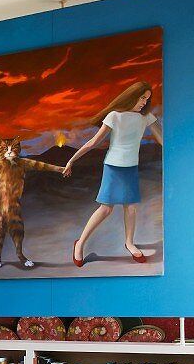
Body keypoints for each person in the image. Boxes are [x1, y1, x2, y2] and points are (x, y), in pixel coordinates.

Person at [63, 81, 163, 266]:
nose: (144, 102)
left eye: (147, 99)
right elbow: (92, 142)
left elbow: (162, 139)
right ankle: (80, 244)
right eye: (142, 97)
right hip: (113, 167)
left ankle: (129, 243)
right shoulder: (114, 116)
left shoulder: (146, 116)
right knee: (106, 209)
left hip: (131, 167)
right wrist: (71, 160)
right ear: (132, 96)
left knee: (131, 207)